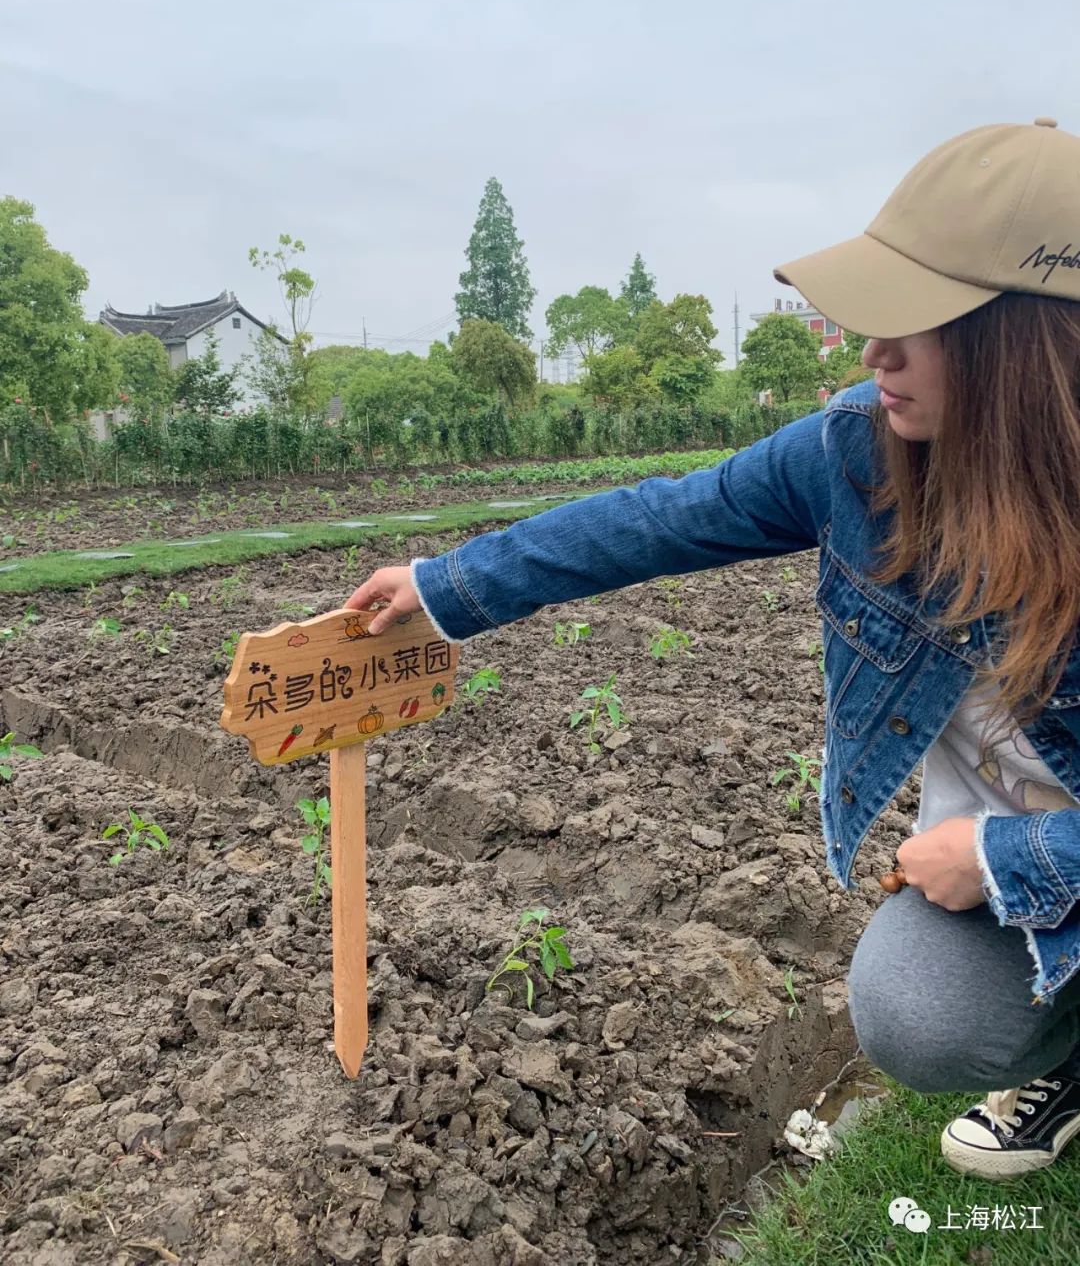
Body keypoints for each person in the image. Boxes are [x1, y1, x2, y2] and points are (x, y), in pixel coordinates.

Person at [346, 117, 1080, 1183]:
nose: (875, 354)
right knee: (912, 1008)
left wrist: (1001, 858)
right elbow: (661, 517)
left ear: (1023, 344)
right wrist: (448, 586)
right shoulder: (853, 452)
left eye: (914, 323)